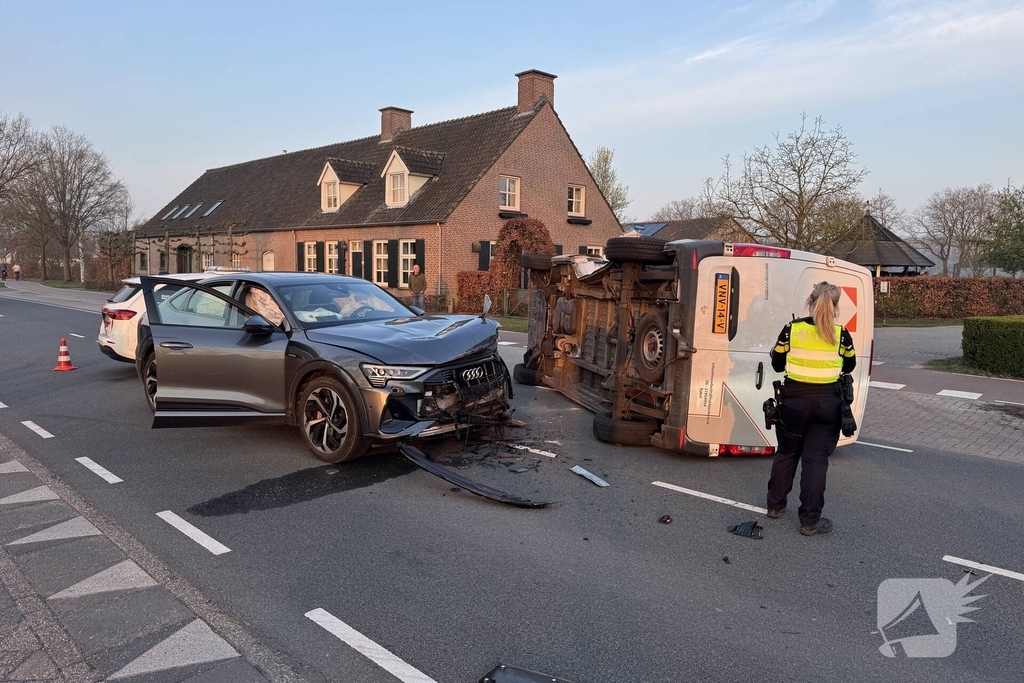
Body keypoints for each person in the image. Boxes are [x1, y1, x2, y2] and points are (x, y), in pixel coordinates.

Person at [766, 281, 856, 536]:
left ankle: (775, 506)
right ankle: (809, 521)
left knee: (786, 453)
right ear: (835, 305)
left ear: (810, 300)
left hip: (793, 403)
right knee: (815, 462)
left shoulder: (790, 330)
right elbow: (849, 367)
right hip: (827, 405)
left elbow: (776, 363)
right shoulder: (842, 334)